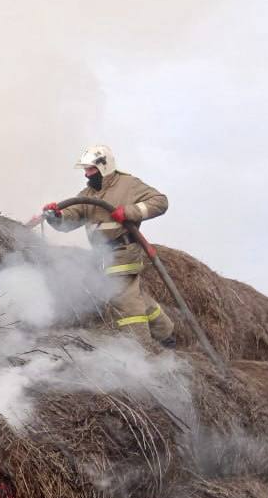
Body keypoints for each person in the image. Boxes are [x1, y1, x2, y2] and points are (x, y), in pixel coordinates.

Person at [37, 144, 176, 348]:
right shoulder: (88, 194)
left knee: (124, 300)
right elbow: (69, 221)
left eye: (90, 169)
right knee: (135, 295)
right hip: (103, 256)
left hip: (123, 251)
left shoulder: (128, 184)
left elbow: (160, 201)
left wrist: (129, 212)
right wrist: (56, 216)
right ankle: (166, 334)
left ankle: (141, 350)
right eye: (85, 169)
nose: (86, 174)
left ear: (104, 166)